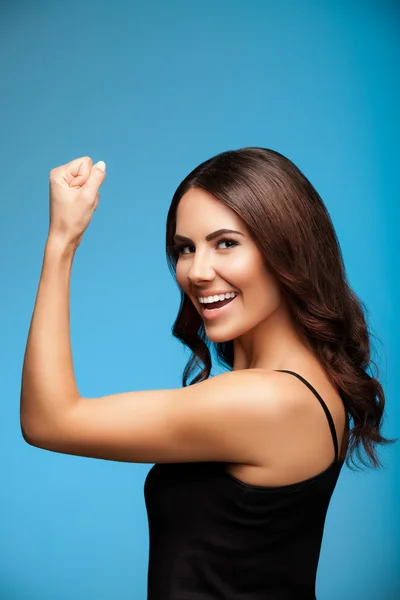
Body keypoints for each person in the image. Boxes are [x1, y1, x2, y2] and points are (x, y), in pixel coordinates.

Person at [20, 147, 396, 599]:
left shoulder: (269, 401)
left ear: (287, 248)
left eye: (226, 243)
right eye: (185, 249)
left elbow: (50, 421)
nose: (196, 272)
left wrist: (62, 241)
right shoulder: (307, 385)